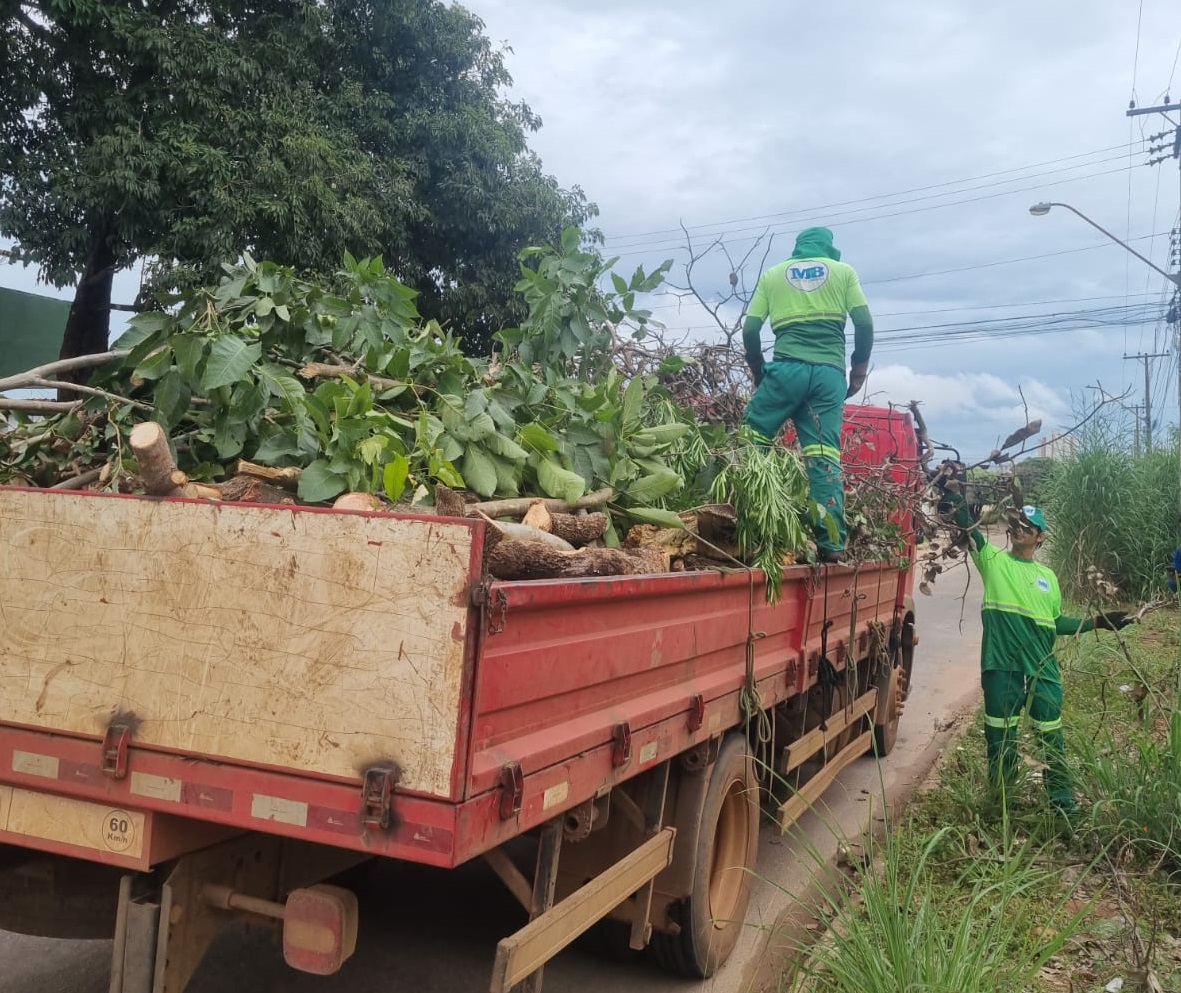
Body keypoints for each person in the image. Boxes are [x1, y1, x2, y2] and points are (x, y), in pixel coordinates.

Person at [949, 496, 1136, 814]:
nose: (1020, 528)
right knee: (1000, 738)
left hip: (1042, 669)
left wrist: (1097, 622)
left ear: (1041, 536)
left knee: (1051, 737)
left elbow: (1056, 622)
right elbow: (967, 524)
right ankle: (1003, 803)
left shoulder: (1048, 577)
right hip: (1002, 667)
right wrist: (952, 490)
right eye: (1017, 523)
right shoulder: (992, 560)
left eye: (1029, 526)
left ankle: (1062, 805)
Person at [741, 226, 874, 563]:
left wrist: (758, 370)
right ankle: (831, 544)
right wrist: (858, 369)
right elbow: (864, 324)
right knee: (823, 456)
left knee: (751, 441)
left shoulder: (774, 275)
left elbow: (751, 329)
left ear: (798, 248)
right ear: (829, 248)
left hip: (786, 370)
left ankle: (744, 525)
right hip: (829, 376)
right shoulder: (843, 272)